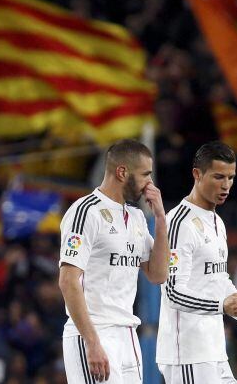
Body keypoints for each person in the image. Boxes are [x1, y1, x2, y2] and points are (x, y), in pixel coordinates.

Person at [156, 141, 237, 383]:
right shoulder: (179, 223)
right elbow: (172, 292)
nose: (226, 185)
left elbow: (220, 281)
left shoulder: (217, 222)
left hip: (214, 351)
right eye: (218, 177)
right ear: (197, 174)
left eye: (230, 178)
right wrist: (221, 306)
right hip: (187, 354)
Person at [58, 139, 169, 383]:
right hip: (95, 332)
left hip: (128, 334)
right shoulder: (85, 212)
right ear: (122, 172)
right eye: (145, 175)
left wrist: (160, 219)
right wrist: (92, 342)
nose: (149, 184)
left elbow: (158, 274)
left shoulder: (137, 217)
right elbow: (68, 281)